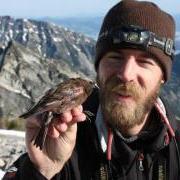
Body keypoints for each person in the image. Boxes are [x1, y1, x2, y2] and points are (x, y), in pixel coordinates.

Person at [3, 0, 180, 179]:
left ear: (163, 76)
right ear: (98, 67)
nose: (126, 74)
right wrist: (41, 171)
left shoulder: (177, 149)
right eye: (115, 57)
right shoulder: (59, 141)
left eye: (144, 61)